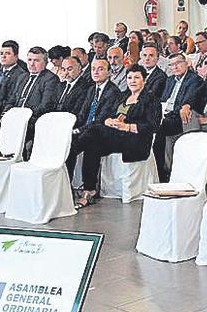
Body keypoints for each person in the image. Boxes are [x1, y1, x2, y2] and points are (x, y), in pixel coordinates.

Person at [69, 64, 160, 208]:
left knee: (92, 130)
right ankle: (89, 190)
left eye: (137, 77)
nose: (132, 81)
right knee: (92, 145)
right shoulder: (123, 96)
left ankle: (73, 146)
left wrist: (127, 126)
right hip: (115, 135)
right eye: (129, 77)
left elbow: (152, 126)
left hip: (134, 140)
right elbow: (107, 116)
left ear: (144, 80)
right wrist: (109, 121)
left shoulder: (150, 100)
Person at [153, 52, 203, 181]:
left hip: (177, 117)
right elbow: (163, 99)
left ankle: (161, 172)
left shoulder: (194, 79)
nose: (174, 67)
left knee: (159, 129)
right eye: (171, 65)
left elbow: (189, 99)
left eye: (178, 63)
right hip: (164, 113)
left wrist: (180, 108)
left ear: (186, 63)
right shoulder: (169, 80)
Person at [0, 39, 27, 108]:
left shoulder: (21, 75)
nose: (3, 56)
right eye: (1, 53)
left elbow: (11, 100)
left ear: (16, 56)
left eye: (7, 53)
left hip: (1, 111)